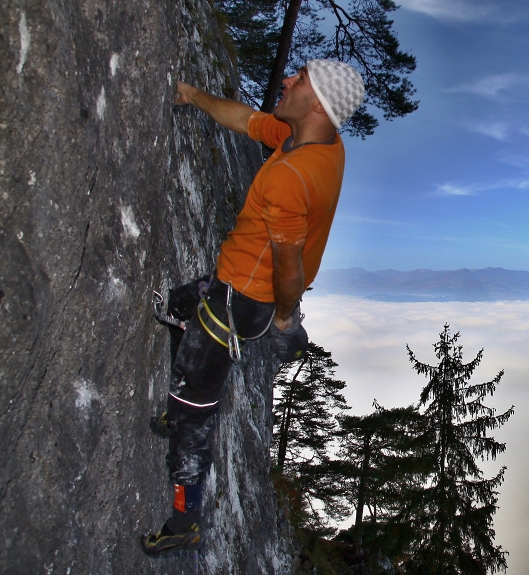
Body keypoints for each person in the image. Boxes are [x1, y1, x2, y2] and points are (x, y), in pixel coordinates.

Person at [140, 60, 365, 556]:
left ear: (317, 104)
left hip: (241, 299)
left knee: (194, 414)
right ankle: (182, 402)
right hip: (235, 284)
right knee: (179, 306)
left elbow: (289, 267)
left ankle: (184, 519)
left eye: (299, 79)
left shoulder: (290, 175)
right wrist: (192, 95)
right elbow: (246, 120)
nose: (287, 80)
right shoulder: (319, 141)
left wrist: (284, 317)